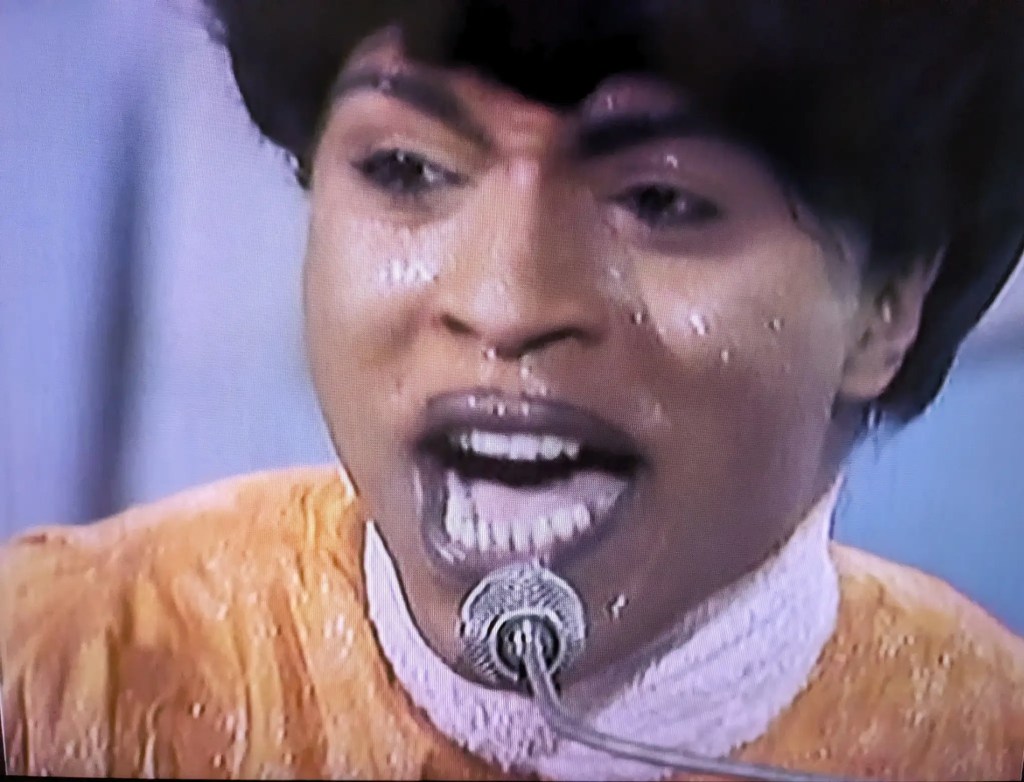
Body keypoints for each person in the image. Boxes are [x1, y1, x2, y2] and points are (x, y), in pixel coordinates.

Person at [3, 1, 1024, 779]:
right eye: (405, 169)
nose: (504, 304)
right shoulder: (61, 667)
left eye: (660, 199)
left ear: (884, 306)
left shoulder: (985, 739)